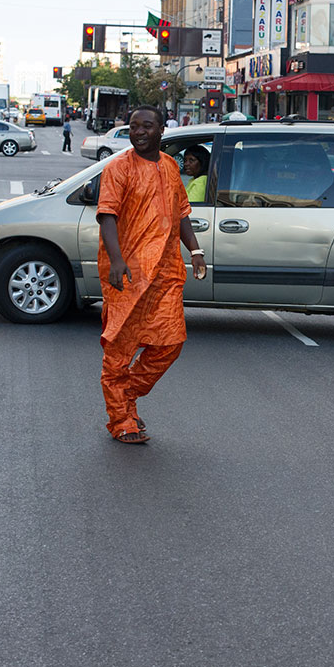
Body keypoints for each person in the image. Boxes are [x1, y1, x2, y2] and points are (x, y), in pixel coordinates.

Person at [96, 106, 207, 444]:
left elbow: (182, 213)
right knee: (120, 348)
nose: (139, 132)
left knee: (170, 343)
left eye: (147, 126)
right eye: (133, 126)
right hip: (128, 274)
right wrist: (116, 260)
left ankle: (124, 394)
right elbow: (107, 215)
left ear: (162, 130)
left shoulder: (171, 166)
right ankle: (121, 420)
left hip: (166, 273)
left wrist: (196, 251)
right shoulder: (119, 168)